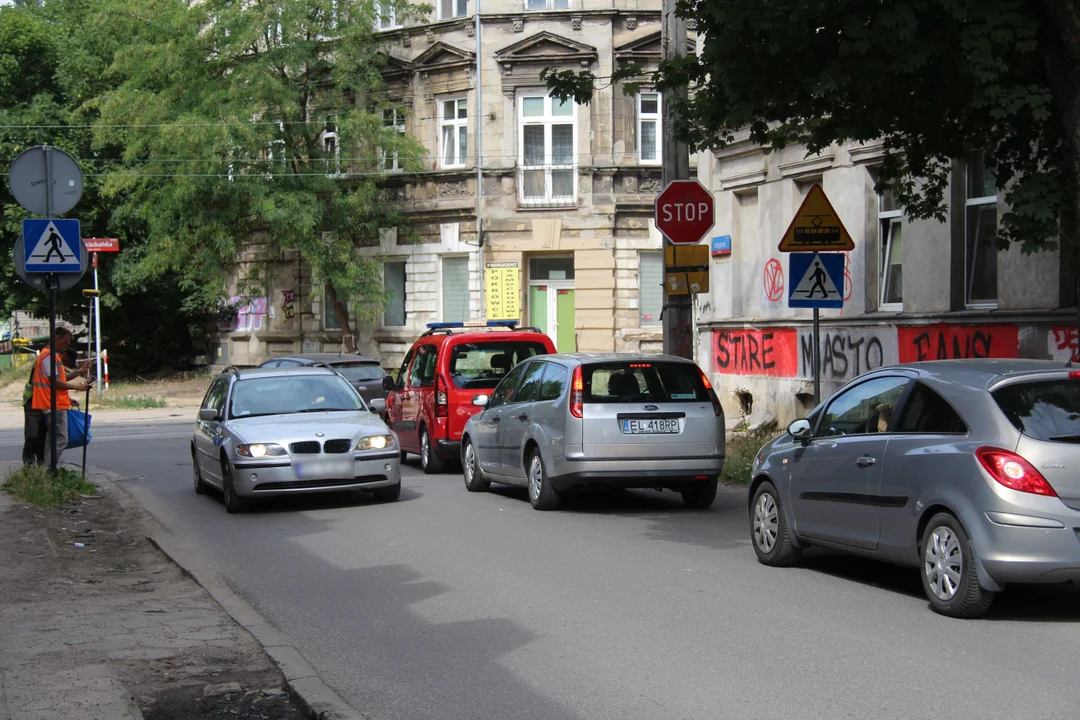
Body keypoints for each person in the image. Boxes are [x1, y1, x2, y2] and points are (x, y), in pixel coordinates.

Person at [30, 327, 91, 467]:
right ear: (56, 337)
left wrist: (80, 372)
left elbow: (59, 379)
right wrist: (78, 387)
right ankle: (49, 469)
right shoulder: (48, 357)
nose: (66, 346)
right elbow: (54, 382)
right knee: (61, 439)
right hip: (53, 404)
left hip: (54, 402)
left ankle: (46, 469)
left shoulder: (50, 356)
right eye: (64, 342)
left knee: (52, 439)